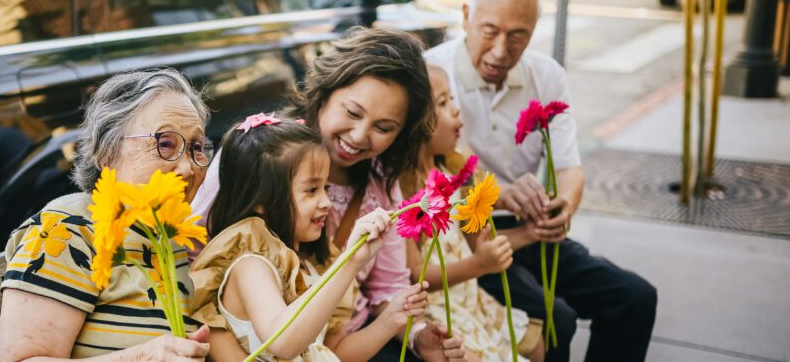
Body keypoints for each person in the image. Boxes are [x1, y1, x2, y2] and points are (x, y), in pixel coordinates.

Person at [425, 0, 658, 362]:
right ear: (465, 16)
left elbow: (569, 166)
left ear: (533, 31)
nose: (501, 51)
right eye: (489, 30)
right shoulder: (431, 75)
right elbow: (431, 179)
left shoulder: (547, 74)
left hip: (530, 228)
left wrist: (563, 206)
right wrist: (502, 196)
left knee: (634, 298)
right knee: (555, 318)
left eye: (518, 35)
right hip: (466, 239)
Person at [192, 27, 466, 361]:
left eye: (383, 128)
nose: (359, 135)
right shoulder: (262, 155)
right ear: (325, 93)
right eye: (352, 112)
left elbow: (385, 288)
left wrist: (417, 335)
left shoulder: (380, 182)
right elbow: (198, 265)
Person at [0, 69, 224, 361]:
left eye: (196, 148)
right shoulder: (67, 230)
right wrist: (141, 358)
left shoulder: (179, 236)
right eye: (165, 144)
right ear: (107, 153)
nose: (188, 168)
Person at [190, 114, 430, 360]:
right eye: (311, 190)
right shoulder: (250, 265)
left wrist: (390, 320)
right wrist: (351, 261)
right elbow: (283, 342)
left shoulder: (308, 266)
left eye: (325, 188)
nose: (326, 202)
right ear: (261, 199)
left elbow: (331, 352)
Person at [403, 64, 544, 362]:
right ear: (414, 123)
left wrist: (510, 237)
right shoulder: (408, 193)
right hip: (441, 310)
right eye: (442, 104)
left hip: (470, 298)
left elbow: (471, 241)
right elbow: (416, 273)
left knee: (535, 342)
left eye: (451, 99)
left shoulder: (453, 172)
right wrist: (479, 264)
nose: (456, 111)